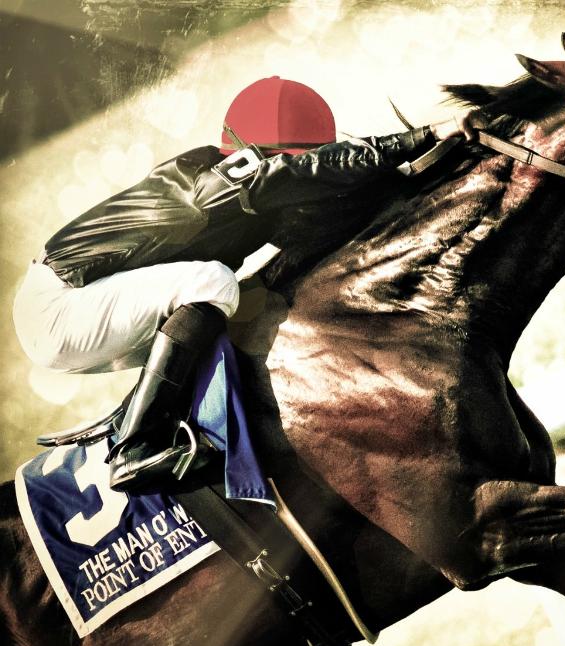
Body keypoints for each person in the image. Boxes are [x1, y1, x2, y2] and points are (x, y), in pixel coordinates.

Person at [14, 76, 473, 492]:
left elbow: (330, 215)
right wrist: (421, 137)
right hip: (59, 306)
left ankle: (171, 423)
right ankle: (134, 450)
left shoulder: (252, 198)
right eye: (290, 160)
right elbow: (298, 173)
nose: (299, 170)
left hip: (82, 304)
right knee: (213, 282)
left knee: (242, 296)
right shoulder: (208, 184)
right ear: (248, 154)